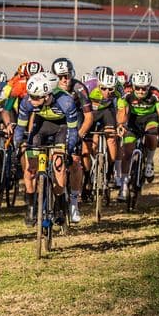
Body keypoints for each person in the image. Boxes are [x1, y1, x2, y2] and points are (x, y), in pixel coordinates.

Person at [13, 72, 79, 226]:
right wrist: (17, 146)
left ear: (47, 95)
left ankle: (59, 204)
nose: (30, 99)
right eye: (30, 95)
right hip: (41, 126)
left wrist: (68, 150)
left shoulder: (66, 102)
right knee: (30, 169)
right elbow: (20, 128)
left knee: (59, 166)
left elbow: (73, 131)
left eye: (35, 97)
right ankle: (30, 206)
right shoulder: (27, 102)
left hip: (62, 128)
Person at [51, 57, 92, 223]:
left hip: (76, 124)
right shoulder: (50, 87)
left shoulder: (79, 88)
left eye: (67, 76)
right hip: (55, 124)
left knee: (75, 161)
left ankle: (74, 201)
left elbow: (89, 117)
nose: (64, 80)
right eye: (60, 77)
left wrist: (79, 136)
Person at [116, 70, 159, 200]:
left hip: (150, 119)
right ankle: (124, 186)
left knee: (151, 135)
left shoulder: (155, 94)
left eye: (144, 88)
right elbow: (122, 111)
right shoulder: (126, 93)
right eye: (137, 88)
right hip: (133, 120)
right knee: (127, 152)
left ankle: (149, 162)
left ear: (149, 87)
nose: (140, 91)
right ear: (132, 86)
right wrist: (121, 125)